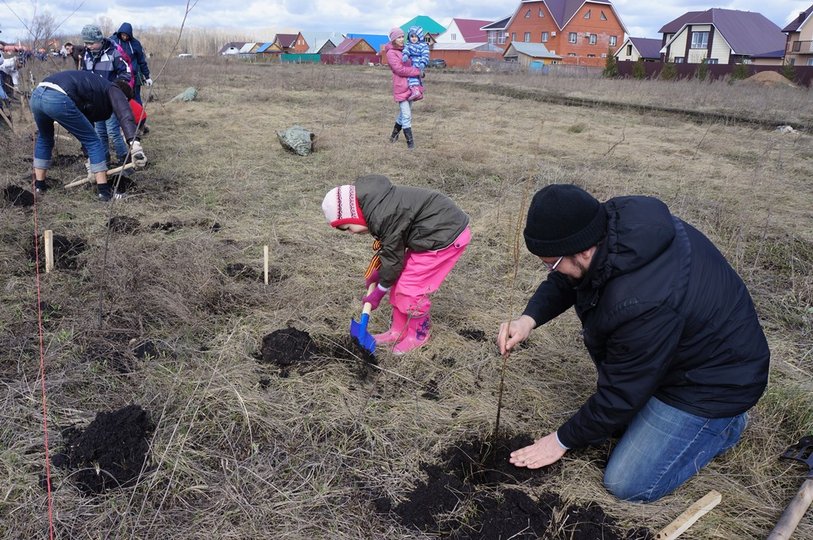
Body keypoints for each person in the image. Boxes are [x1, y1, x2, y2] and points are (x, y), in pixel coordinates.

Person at [498, 184, 770, 503]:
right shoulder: (609, 228)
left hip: (717, 383)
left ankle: (725, 426)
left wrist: (559, 441)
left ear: (583, 250)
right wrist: (528, 319)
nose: (550, 271)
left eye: (551, 263)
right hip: (680, 354)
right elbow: (571, 277)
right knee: (622, 419)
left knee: (627, 483)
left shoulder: (642, 302)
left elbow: (621, 394)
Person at [322, 174, 471, 354]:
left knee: (411, 288)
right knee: (399, 281)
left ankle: (418, 335)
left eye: (347, 227)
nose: (350, 233)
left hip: (443, 236)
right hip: (428, 233)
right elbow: (392, 252)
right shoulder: (376, 206)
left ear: (354, 215)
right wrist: (381, 274)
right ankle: (398, 331)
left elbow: (393, 257)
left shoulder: (382, 215)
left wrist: (379, 292)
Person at [29, 70, 147, 201]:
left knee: (45, 138)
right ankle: (104, 192)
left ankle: (39, 186)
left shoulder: (93, 92)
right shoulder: (114, 88)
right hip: (57, 97)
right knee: (94, 141)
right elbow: (125, 114)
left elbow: (87, 126)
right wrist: (135, 145)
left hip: (37, 95)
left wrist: (91, 163)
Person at [79, 24, 132, 167]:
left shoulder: (113, 53)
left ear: (99, 40)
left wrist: (113, 87)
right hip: (95, 102)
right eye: (86, 43)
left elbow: (125, 73)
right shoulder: (86, 56)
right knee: (99, 133)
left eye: (91, 43)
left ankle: (125, 162)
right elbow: (83, 76)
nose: (88, 46)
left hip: (110, 100)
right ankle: (105, 161)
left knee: (113, 132)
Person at [384, 27, 422, 150]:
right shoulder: (391, 53)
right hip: (401, 86)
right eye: (398, 37)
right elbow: (399, 69)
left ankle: (393, 136)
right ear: (393, 39)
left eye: (402, 37)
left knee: (403, 114)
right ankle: (410, 144)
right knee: (406, 115)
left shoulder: (406, 49)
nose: (401, 39)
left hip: (411, 86)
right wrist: (416, 72)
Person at [109, 22, 151, 105]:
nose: (124, 37)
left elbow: (141, 61)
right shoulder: (113, 41)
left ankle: (140, 117)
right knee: (118, 99)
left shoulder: (135, 44)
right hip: (117, 76)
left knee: (135, 98)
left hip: (133, 76)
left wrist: (147, 76)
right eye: (123, 35)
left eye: (126, 35)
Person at [402, 26, 429, 101]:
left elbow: (425, 54)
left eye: (416, 36)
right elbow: (406, 50)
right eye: (412, 36)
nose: (413, 38)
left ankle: (416, 91)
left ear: (419, 37)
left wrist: (423, 62)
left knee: (413, 77)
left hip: (418, 62)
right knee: (411, 78)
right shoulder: (408, 44)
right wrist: (405, 55)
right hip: (411, 62)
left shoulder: (423, 45)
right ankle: (416, 92)